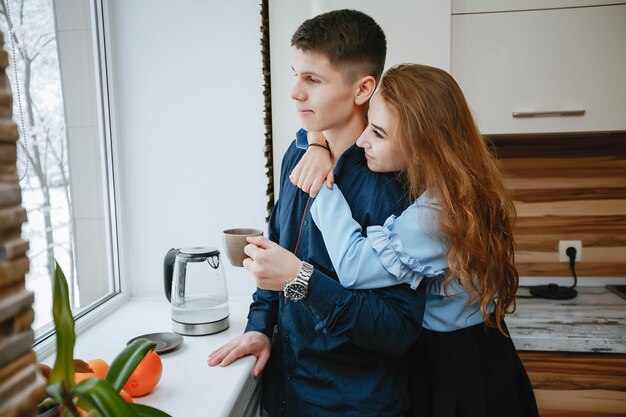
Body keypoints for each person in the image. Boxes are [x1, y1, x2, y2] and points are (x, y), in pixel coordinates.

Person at [207, 10, 425, 417]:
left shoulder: (392, 185)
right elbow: (276, 251)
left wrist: (300, 280)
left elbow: (397, 331)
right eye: (295, 74)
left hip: (352, 407)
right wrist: (259, 327)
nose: (294, 92)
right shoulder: (299, 153)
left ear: (363, 89)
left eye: (313, 80)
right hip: (286, 396)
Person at [289, 63, 540, 417]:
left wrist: (322, 185)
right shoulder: (459, 182)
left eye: (377, 133)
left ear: (424, 147)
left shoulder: (438, 213)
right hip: (473, 348)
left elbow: (354, 267)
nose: (363, 141)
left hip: (455, 367)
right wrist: (317, 141)